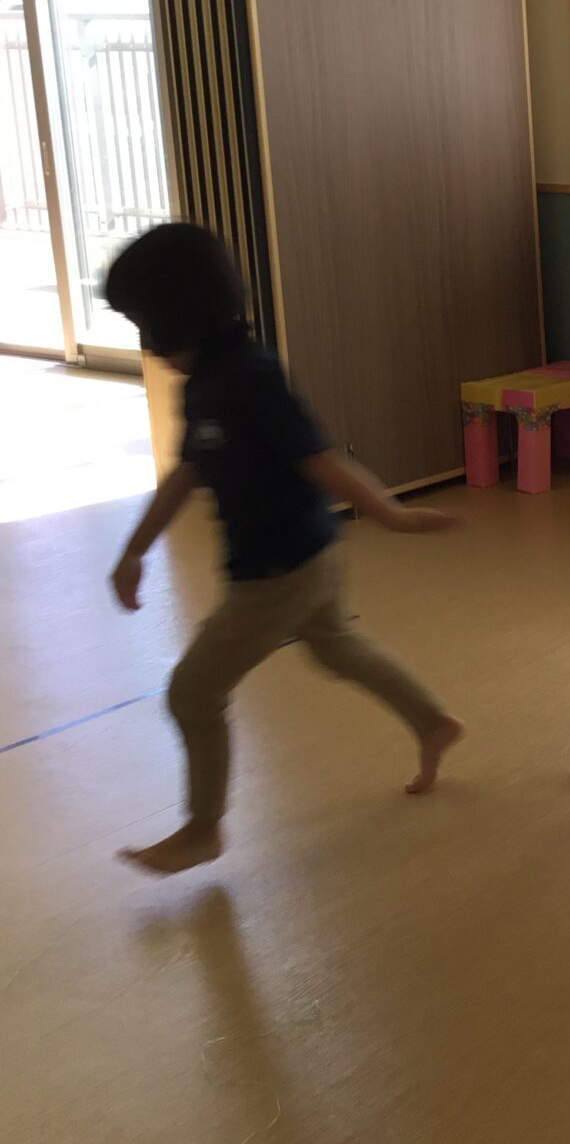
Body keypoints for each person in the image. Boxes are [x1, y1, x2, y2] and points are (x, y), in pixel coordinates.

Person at [104, 223, 464, 876]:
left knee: (192, 694)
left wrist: (390, 514)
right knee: (337, 646)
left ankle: (203, 830)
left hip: (278, 572)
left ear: (177, 315)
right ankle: (433, 723)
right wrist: (135, 550)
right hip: (307, 553)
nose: (144, 343)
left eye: (143, 324)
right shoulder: (204, 381)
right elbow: (188, 470)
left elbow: (317, 457)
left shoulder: (250, 375)